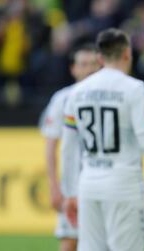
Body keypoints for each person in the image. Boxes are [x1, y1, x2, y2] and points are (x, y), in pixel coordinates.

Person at [61, 28, 144, 251]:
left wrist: (69, 193)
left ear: (99, 58)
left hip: (88, 184)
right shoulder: (134, 89)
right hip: (123, 184)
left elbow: (68, 149)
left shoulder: (77, 92)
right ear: (128, 54)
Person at [40, 44, 100, 251]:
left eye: (93, 63)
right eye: (83, 64)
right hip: (73, 186)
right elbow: (51, 146)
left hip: (102, 182)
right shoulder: (61, 99)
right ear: (73, 69)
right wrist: (55, 187)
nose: (89, 69)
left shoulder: (109, 96)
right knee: (69, 243)